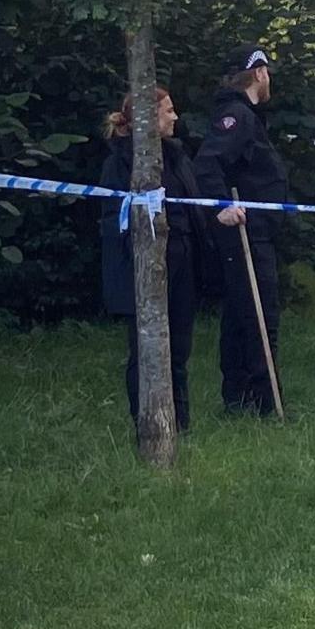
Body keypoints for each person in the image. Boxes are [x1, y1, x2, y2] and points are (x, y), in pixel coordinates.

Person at [99, 88, 215, 430]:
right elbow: (115, 221)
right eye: (168, 111)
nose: (175, 117)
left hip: (183, 259)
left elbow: (193, 206)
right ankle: (147, 421)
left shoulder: (177, 156)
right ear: (148, 120)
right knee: (146, 347)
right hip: (145, 262)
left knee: (179, 345)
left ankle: (180, 421)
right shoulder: (120, 163)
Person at [194, 45, 288, 415]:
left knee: (239, 313)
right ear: (260, 73)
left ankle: (238, 398)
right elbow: (207, 164)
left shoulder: (247, 116)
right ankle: (265, 401)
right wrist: (222, 206)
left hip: (256, 230)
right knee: (261, 314)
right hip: (246, 234)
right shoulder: (237, 116)